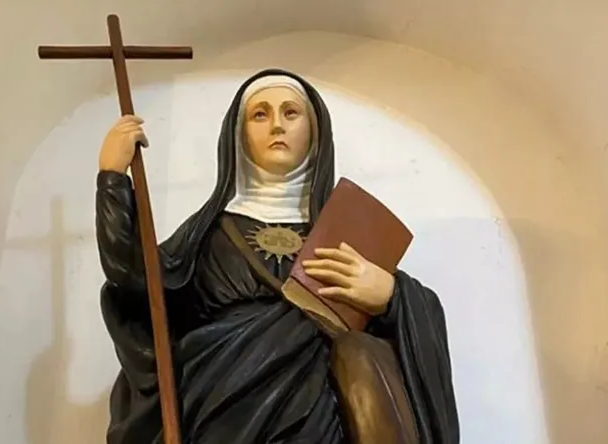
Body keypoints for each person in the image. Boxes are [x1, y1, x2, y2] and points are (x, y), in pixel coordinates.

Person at [95, 68, 459, 444]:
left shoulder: (346, 235)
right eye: (260, 114)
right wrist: (112, 179)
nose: (276, 126)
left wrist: (393, 296)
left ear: (315, 131)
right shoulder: (208, 232)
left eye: (290, 112)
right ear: (239, 135)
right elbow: (138, 284)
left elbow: (403, 346)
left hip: (320, 415)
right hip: (221, 407)